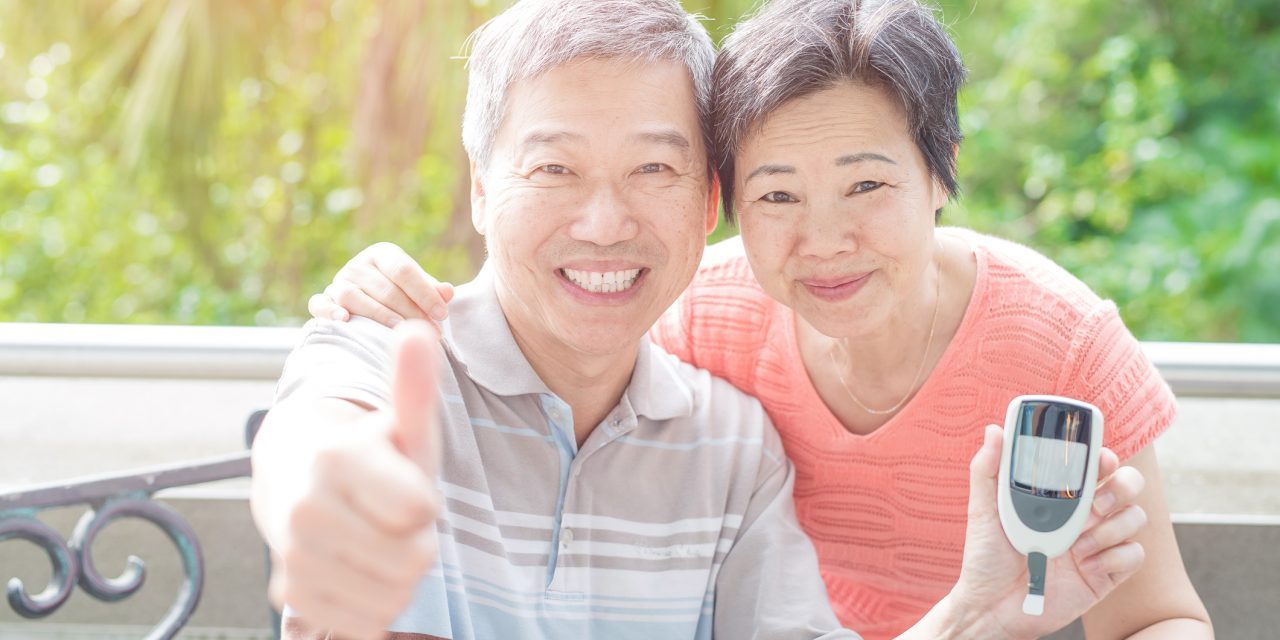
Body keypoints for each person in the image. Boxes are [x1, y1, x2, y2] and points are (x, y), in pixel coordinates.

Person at [307, 0, 1213, 638]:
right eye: (777, 194)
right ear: (728, 199)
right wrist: (384, 292)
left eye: (868, 184)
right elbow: (560, 308)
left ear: (941, 171)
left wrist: (991, 614)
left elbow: (1159, 615)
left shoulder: (1059, 343)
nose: (826, 242)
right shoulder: (701, 315)